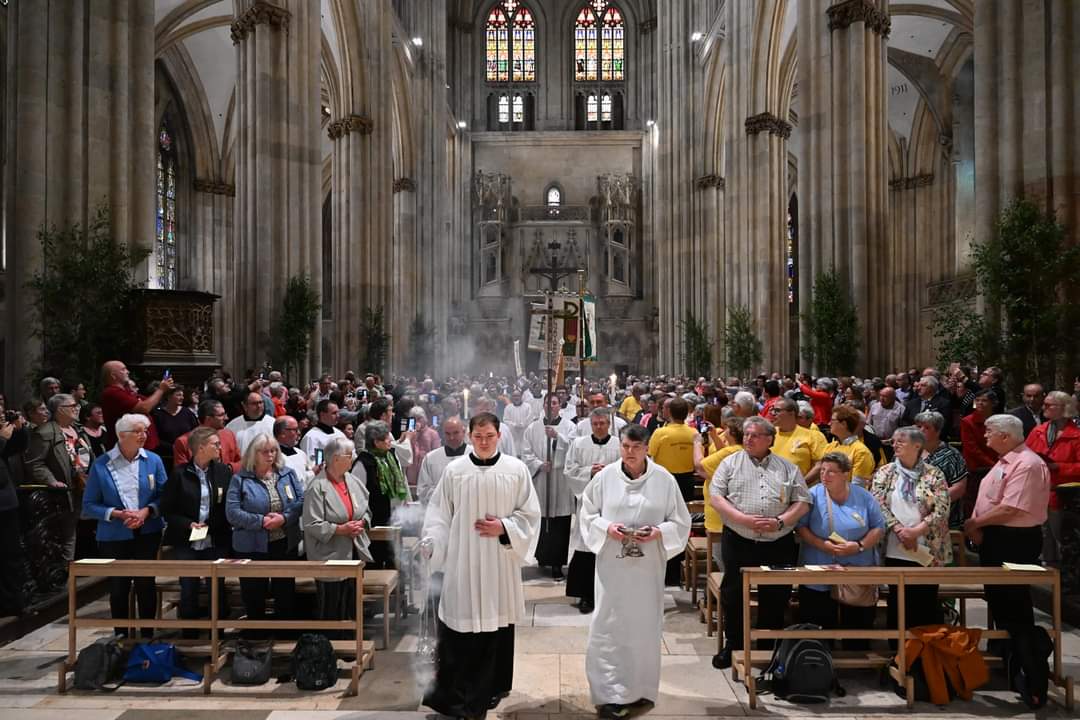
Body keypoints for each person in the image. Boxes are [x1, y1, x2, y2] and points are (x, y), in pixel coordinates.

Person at [420, 412, 541, 719]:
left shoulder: (515, 470)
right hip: (462, 561)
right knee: (458, 631)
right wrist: (433, 541)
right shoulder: (455, 471)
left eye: (489, 436)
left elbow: (530, 516)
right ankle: (457, 699)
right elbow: (439, 515)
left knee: (492, 633)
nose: (484, 442)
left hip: (498, 563)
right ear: (470, 437)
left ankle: (485, 694)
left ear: (499, 435)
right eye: (478, 437)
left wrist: (505, 527)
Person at [580, 423, 691, 719]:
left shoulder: (663, 479)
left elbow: (680, 522)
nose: (629, 453)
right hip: (612, 569)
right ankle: (609, 692)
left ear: (647, 449)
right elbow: (587, 513)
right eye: (625, 447)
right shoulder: (604, 478)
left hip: (646, 569)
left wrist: (657, 531)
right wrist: (608, 528)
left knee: (643, 626)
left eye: (636, 448)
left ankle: (640, 688)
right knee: (608, 625)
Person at [709, 416, 811, 669]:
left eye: (754, 435)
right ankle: (734, 644)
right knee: (733, 593)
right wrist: (743, 519)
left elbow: (802, 501)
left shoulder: (787, 467)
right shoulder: (730, 463)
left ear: (769, 439)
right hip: (739, 539)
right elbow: (717, 498)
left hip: (778, 541)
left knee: (776, 595)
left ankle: (769, 645)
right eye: (746, 434)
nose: (748, 439)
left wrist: (780, 521)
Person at [81, 414, 167, 637]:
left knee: (145, 585)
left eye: (145, 431)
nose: (143, 435)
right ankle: (120, 638)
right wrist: (117, 514)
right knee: (118, 587)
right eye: (137, 431)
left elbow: (164, 495)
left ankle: (147, 637)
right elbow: (89, 505)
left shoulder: (154, 460)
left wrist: (146, 511)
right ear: (121, 435)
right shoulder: (102, 465)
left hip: (147, 531)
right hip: (114, 535)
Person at [965, 414, 1050, 630]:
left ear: (1004, 436)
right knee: (998, 599)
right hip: (996, 538)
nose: (985, 435)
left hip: (1014, 541)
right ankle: (1005, 652)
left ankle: (1021, 656)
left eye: (988, 431)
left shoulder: (1027, 464)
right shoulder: (1005, 460)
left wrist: (974, 523)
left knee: (1013, 601)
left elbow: (1010, 508)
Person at [796, 452, 886, 647]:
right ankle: (818, 663)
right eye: (822, 471)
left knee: (857, 625)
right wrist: (823, 545)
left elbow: (879, 527)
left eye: (831, 472)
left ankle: (857, 661)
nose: (825, 476)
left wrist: (859, 545)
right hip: (820, 566)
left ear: (846, 473)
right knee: (818, 624)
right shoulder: (813, 495)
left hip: (857, 568)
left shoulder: (863, 496)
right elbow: (801, 527)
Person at [870, 426, 952, 632]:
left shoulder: (934, 474)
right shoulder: (885, 472)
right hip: (895, 546)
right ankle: (898, 654)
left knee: (925, 601)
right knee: (898, 602)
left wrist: (916, 531)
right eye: (894, 441)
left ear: (917, 446)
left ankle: (924, 654)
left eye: (901, 441)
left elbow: (942, 507)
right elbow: (878, 502)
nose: (895, 444)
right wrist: (899, 530)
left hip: (926, 548)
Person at [226, 433, 305, 628]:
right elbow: (232, 513)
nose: (270, 455)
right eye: (265, 451)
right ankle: (256, 639)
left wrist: (284, 518)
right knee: (254, 593)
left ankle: (283, 636)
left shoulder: (287, 474)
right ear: (254, 454)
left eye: (273, 451)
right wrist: (261, 521)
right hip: (252, 546)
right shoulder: (240, 479)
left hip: (284, 542)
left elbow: (301, 502)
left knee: (284, 591)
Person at [161, 426, 232, 633]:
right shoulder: (179, 474)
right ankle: (189, 632)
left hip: (215, 536)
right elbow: (167, 509)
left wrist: (214, 524)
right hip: (187, 538)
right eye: (215, 444)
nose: (220, 447)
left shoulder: (222, 471)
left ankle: (217, 632)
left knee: (216, 586)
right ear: (201, 448)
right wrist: (187, 524)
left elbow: (228, 504)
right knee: (189, 585)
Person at [302, 437, 372, 624]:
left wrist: (363, 522)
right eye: (349, 456)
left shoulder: (352, 480)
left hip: (354, 551)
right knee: (332, 607)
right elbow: (311, 524)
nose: (352, 459)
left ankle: (351, 645)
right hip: (329, 555)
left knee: (352, 604)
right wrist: (340, 529)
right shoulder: (317, 487)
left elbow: (366, 509)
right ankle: (332, 645)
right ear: (335, 459)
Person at [563, 408, 621, 614]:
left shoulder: (619, 445)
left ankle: (610, 595)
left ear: (609, 424)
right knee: (586, 545)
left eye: (602, 423)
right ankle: (586, 595)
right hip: (587, 501)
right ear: (590, 424)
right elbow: (569, 470)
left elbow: (628, 469)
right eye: (595, 424)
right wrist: (590, 471)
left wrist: (610, 473)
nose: (598, 427)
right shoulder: (579, 444)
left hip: (612, 503)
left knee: (609, 547)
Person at [26, 393, 92, 568]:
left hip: (84, 485)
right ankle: (64, 572)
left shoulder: (79, 429)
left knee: (82, 530)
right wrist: (51, 480)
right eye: (72, 406)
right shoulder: (45, 432)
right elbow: (35, 463)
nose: (77, 408)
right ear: (60, 410)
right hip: (63, 491)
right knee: (66, 533)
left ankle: (78, 569)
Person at [521, 393, 577, 579]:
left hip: (560, 482)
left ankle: (557, 564)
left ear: (559, 406)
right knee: (543, 521)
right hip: (542, 480)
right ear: (543, 405)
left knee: (560, 524)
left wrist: (558, 437)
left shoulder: (569, 426)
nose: (550, 406)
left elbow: (574, 450)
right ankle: (543, 557)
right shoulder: (532, 428)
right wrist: (538, 464)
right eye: (547, 403)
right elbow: (526, 453)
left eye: (554, 403)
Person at [1024, 391, 1079, 567]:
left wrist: (1059, 467)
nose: (1044, 407)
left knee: (1058, 539)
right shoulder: (1038, 431)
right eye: (1044, 404)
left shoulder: (1076, 435)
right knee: (1040, 537)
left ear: (1064, 408)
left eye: (1049, 405)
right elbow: (1024, 456)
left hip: (1063, 496)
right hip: (1037, 493)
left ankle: (1062, 578)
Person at [353, 420, 410, 569]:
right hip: (375, 519)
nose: (390, 440)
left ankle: (397, 588)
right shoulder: (363, 462)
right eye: (386, 438)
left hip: (395, 516)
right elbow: (357, 494)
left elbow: (400, 481)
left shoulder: (391, 455)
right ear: (376, 442)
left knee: (395, 557)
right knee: (376, 558)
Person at [99, 361, 173, 450]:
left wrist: (164, 390)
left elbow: (150, 403)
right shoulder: (112, 393)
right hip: (129, 451)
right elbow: (144, 407)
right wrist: (161, 390)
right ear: (113, 375)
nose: (128, 371)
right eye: (123, 369)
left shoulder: (127, 392)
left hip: (143, 447)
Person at [915, 411, 968, 529]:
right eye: (919, 426)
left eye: (927, 427)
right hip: (911, 512)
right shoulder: (911, 450)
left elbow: (959, 488)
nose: (921, 430)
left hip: (942, 514)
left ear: (938, 431)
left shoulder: (951, 455)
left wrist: (928, 503)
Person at [0, 413, 30, 616]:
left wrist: (20, 430)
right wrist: (2, 438)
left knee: (11, 554)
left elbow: (16, 448)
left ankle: (13, 603)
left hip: (6, 502)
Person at [646, 397, 698, 501]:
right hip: (687, 480)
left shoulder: (660, 433)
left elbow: (649, 454)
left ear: (669, 411)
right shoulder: (694, 433)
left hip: (664, 479)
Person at [767, 399, 826, 484]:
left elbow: (820, 465)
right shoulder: (769, 434)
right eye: (772, 410)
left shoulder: (813, 436)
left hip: (801, 492)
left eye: (777, 410)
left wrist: (800, 485)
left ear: (791, 413)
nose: (773, 413)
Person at [174, 400, 243, 472]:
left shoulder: (229, 435)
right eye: (221, 415)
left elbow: (240, 463)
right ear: (208, 419)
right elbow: (182, 472)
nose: (226, 418)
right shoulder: (183, 442)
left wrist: (228, 469)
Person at [417, 416, 469, 506]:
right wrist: (446, 495)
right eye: (448, 434)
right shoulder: (431, 458)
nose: (451, 437)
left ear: (463, 432)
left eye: (456, 433)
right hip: (439, 512)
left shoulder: (475, 455)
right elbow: (423, 491)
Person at [824, 405, 876, 485]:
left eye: (833, 420)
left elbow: (857, 487)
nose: (829, 423)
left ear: (844, 424)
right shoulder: (830, 446)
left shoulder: (861, 452)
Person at [151, 384, 198, 471]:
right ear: (168, 397)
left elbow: (196, 432)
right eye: (178, 395)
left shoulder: (187, 413)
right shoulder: (158, 415)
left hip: (186, 457)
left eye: (182, 395)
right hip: (166, 458)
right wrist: (173, 447)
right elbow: (155, 437)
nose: (182, 398)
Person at [274, 415, 316, 488]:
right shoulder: (274, 456)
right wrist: (313, 472)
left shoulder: (301, 453)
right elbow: (295, 480)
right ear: (283, 433)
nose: (299, 433)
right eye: (295, 430)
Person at [406, 406, 442, 490]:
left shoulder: (433, 433)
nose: (417, 421)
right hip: (412, 471)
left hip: (426, 470)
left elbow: (436, 453)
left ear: (425, 419)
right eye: (414, 419)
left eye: (419, 418)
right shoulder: (408, 434)